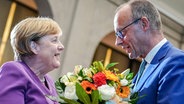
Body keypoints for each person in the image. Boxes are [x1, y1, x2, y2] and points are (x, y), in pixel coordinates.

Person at [114, 0, 184, 104]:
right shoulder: (145, 66)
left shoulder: (176, 62)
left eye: (121, 33)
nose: (117, 42)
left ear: (144, 24)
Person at [0, 17, 64, 104]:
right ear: (33, 46)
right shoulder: (14, 70)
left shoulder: (50, 81)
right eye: (54, 40)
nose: (61, 47)